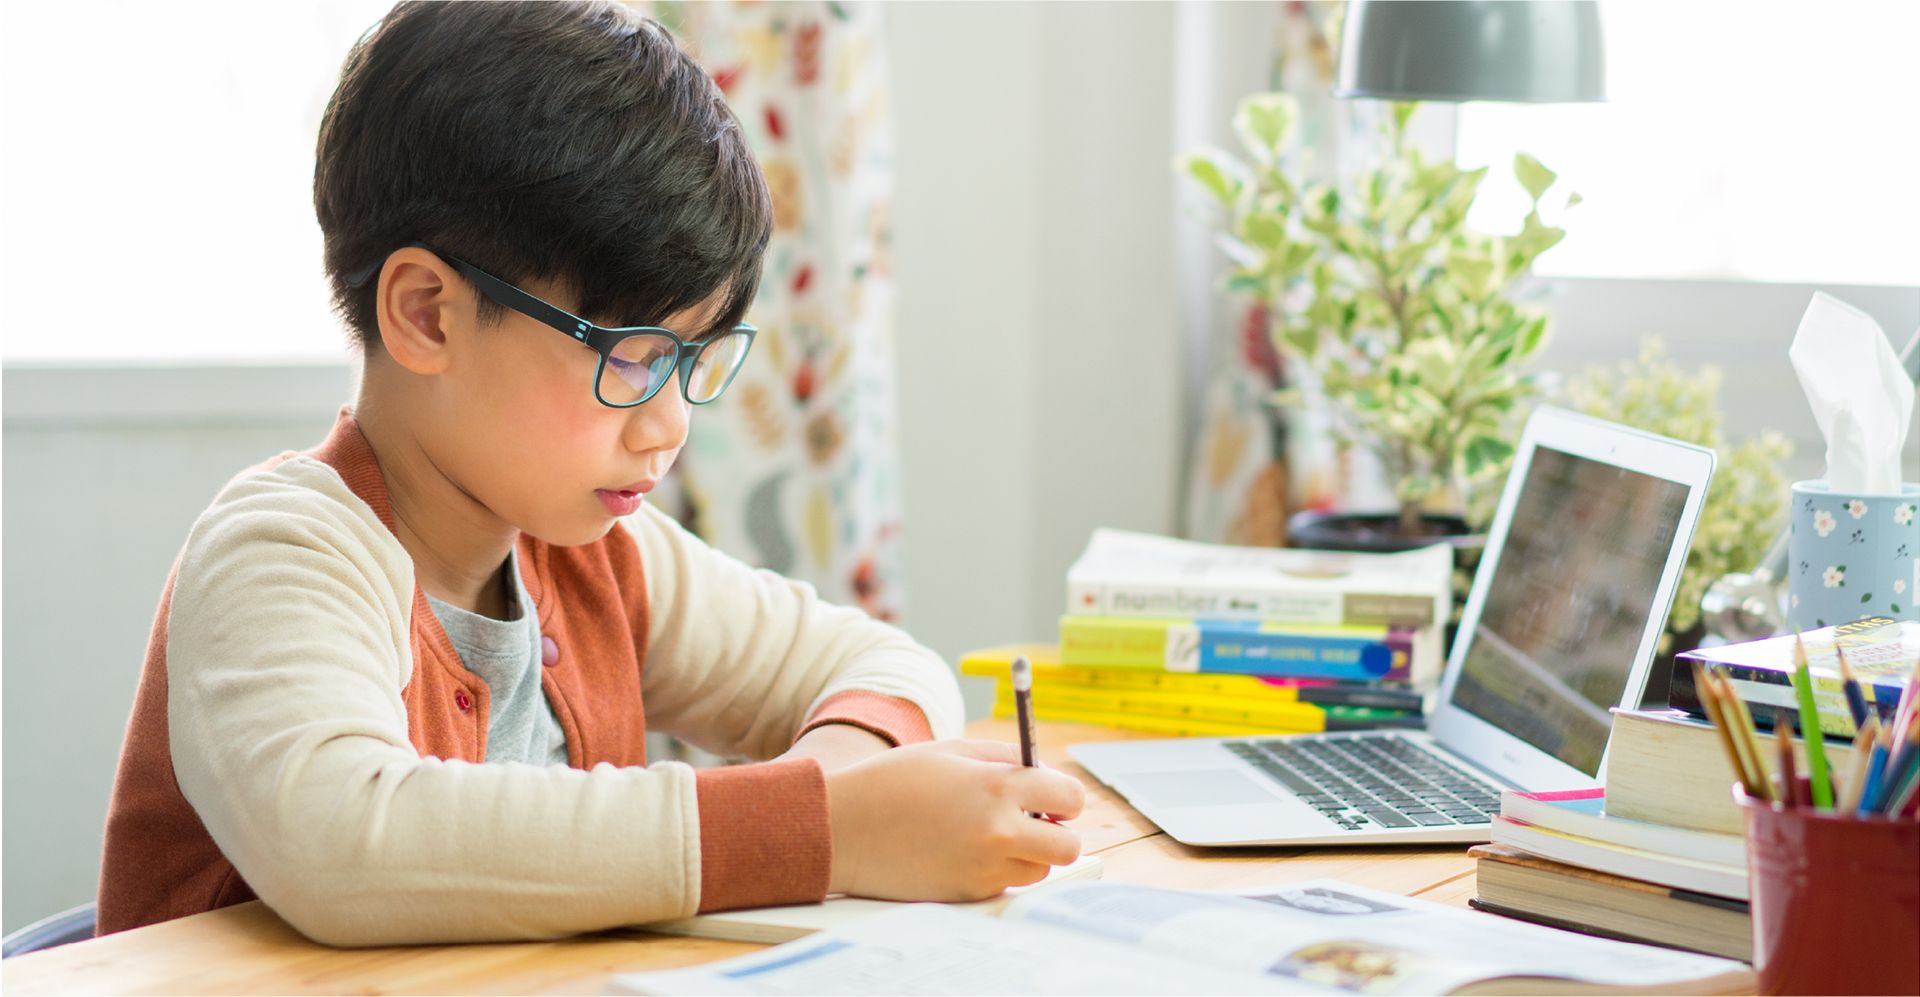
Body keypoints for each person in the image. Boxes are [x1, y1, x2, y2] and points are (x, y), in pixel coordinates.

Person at [96, 0, 1082, 946]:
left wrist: (841, 796)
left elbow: (888, 668)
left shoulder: (598, 553)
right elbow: (347, 842)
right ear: (427, 314)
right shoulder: (284, 552)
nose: (670, 424)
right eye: (634, 356)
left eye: (694, 359)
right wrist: (823, 829)